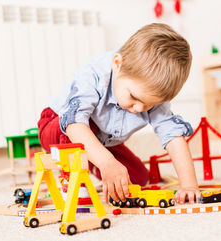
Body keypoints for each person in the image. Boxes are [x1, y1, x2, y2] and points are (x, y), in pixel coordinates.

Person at [38, 23, 200, 205]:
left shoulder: (149, 93)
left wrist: (189, 185)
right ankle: (77, 181)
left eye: (149, 105)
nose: (139, 108)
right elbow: (73, 124)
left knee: (136, 179)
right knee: (82, 126)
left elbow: (173, 136)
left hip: (101, 140)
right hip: (58, 126)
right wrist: (107, 163)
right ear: (117, 65)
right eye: (133, 97)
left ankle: (95, 160)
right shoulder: (93, 76)